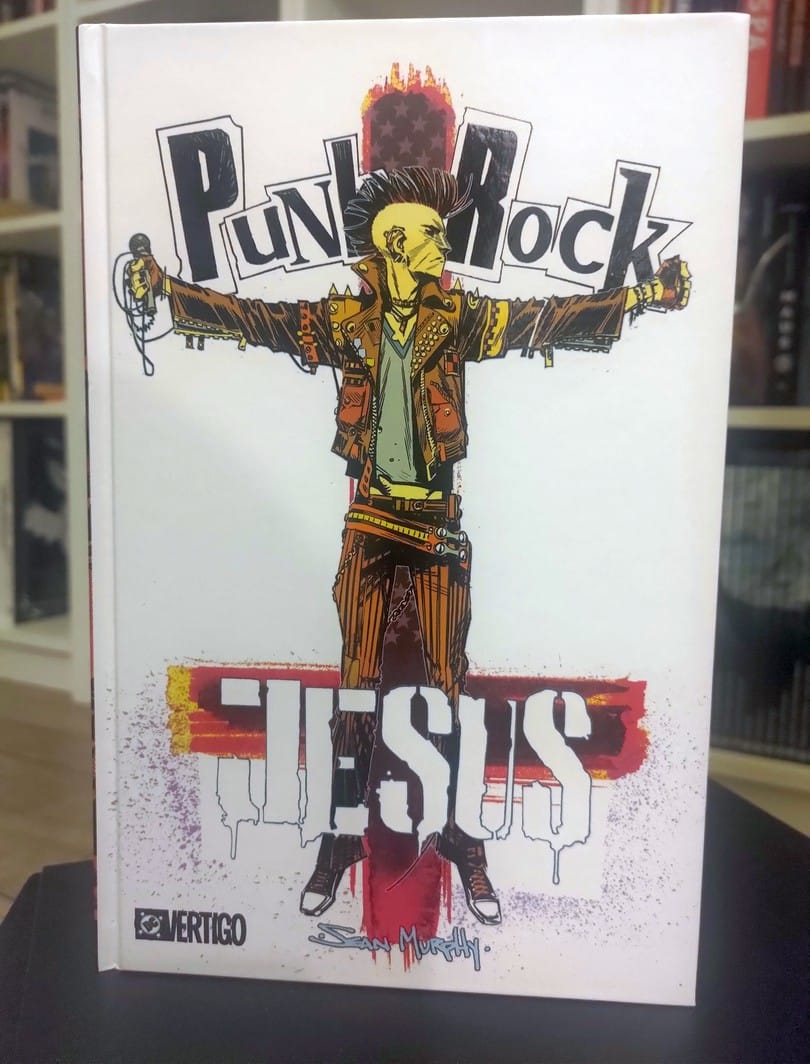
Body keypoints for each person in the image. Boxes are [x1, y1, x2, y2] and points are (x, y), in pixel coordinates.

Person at [129, 166, 691, 925]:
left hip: (437, 526)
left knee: (449, 692)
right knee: (356, 691)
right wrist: (167, 291)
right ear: (395, 243)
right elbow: (257, 319)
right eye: (430, 232)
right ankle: (340, 839)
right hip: (371, 522)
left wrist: (641, 296)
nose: (443, 243)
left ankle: (461, 838)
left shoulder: (455, 319)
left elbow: (544, 319)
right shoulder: (345, 322)